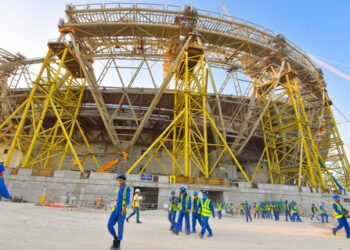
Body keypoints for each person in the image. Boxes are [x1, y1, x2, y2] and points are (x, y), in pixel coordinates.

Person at [107, 174, 131, 250]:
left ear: (124, 180)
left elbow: (127, 200)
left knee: (120, 227)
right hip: (115, 210)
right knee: (109, 225)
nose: (120, 181)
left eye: (121, 179)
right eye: (119, 179)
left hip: (122, 211)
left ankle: (118, 244)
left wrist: (124, 208)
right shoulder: (118, 188)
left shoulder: (127, 188)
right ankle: (115, 238)